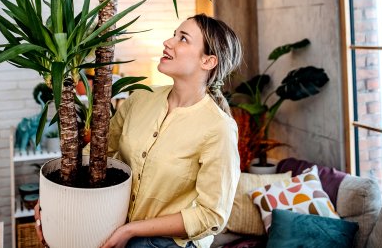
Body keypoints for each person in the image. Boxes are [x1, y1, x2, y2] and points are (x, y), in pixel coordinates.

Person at [35, 14, 242, 248]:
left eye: (183, 39)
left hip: (170, 242)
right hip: (116, 224)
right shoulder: (141, 96)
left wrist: (130, 231)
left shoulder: (218, 128)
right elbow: (97, 152)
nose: (168, 42)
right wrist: (55, 199)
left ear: (208, 61)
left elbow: (212, 215)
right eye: (174, 34)